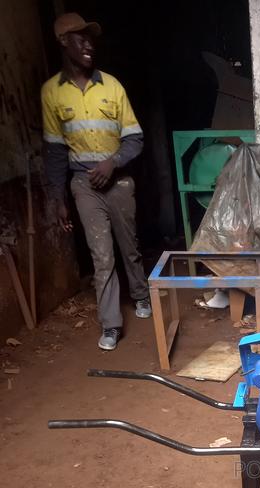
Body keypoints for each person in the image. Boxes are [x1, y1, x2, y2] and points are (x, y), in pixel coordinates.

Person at [41, 12, 151, 351]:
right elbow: (55, 151)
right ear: (63, 42)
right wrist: (56, 198)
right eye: (80, 38)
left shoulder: (112, 86)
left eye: (91, 38)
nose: (88, 44)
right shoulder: (52, 93)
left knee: (129, 247)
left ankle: (140, 295)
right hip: (83, 185)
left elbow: (135, 139)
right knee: (102, 257)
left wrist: (112, 162)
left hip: (117, 181)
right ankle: (111, 324)